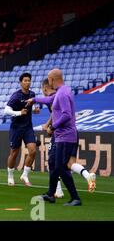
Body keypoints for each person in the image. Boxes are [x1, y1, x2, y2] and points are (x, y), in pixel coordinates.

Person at [28, 70, 96, 206]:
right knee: (54, 164)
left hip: (65, 136)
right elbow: (49, 99)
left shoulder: (63, 93)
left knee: (61, 167)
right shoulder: (62, 91)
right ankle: (51, 194)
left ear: (52, 79)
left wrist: (53, 127)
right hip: (61, 136)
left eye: (49, 80)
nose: (49, 82)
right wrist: (34, 100)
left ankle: (75, 198)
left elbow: (66, 115)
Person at [4, 72, 38, 187]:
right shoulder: (16, 96)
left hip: (28, 127)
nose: (27, 82)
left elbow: (30, 109)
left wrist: (34, 110)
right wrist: (19, 113)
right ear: (21, 82)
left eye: (29, 80)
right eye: (25, 81)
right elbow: (6, 110)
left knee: (33, 150)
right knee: (14, 153)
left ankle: (25, 174)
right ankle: (10, 175)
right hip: (16, 128)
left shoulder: (32, 94)